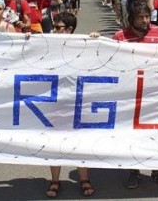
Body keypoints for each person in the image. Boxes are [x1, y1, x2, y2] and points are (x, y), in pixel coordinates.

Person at [112, 1, 158, 188]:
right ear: (131, 18)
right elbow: (110, 61)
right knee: (133, 135)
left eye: (147, 16)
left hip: (156, 94)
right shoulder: (119, 37)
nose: (145, 21)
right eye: (141, 17)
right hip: (131, 95)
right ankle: (134, 171)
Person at [45, 11, 96, 198]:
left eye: (58, 28)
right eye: (54, 27)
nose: (54, 31)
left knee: (79, 142)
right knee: (54, 142)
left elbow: (99, 60)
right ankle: (55, 180)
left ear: (69, 30)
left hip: (77, 100)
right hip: (54, 100)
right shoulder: (47, 45)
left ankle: (84, 179)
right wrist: (27, 39)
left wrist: (96, 42)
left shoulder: (83, 46)